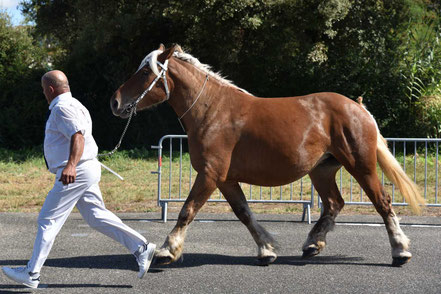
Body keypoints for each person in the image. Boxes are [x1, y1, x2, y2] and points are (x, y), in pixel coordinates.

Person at [2, 70, 156, 288]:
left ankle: (32, 273)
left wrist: (71, 165)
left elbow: (78, 136)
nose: (44, 93)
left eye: (44, 89)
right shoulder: (75, 104)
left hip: (78, 171)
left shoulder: (62, 108)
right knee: (96, 216)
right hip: (86, 168)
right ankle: (142, 247)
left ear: (51, 89)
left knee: (48, 220)